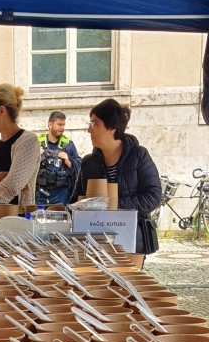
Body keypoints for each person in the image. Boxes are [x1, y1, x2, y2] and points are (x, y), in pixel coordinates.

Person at [71, 98, 162, 254]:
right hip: (94, 243)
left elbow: (153, 197)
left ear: (111, 127)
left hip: (132, 242)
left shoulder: (138, 156)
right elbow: (75, 200)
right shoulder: (88, 163)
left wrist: (114, 204)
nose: (89, 129)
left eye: (95, 123)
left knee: (127, 279)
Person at [36, 110, 80, 206]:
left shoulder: (68, 144)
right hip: (41, 193)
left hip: (61, 194)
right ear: (50, 124)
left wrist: (68, 161)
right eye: (59, 124)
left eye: (63, 125)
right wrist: (35, 157)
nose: (62, 128)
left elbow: (79, 166)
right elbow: (25, 167)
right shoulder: (37, 143)